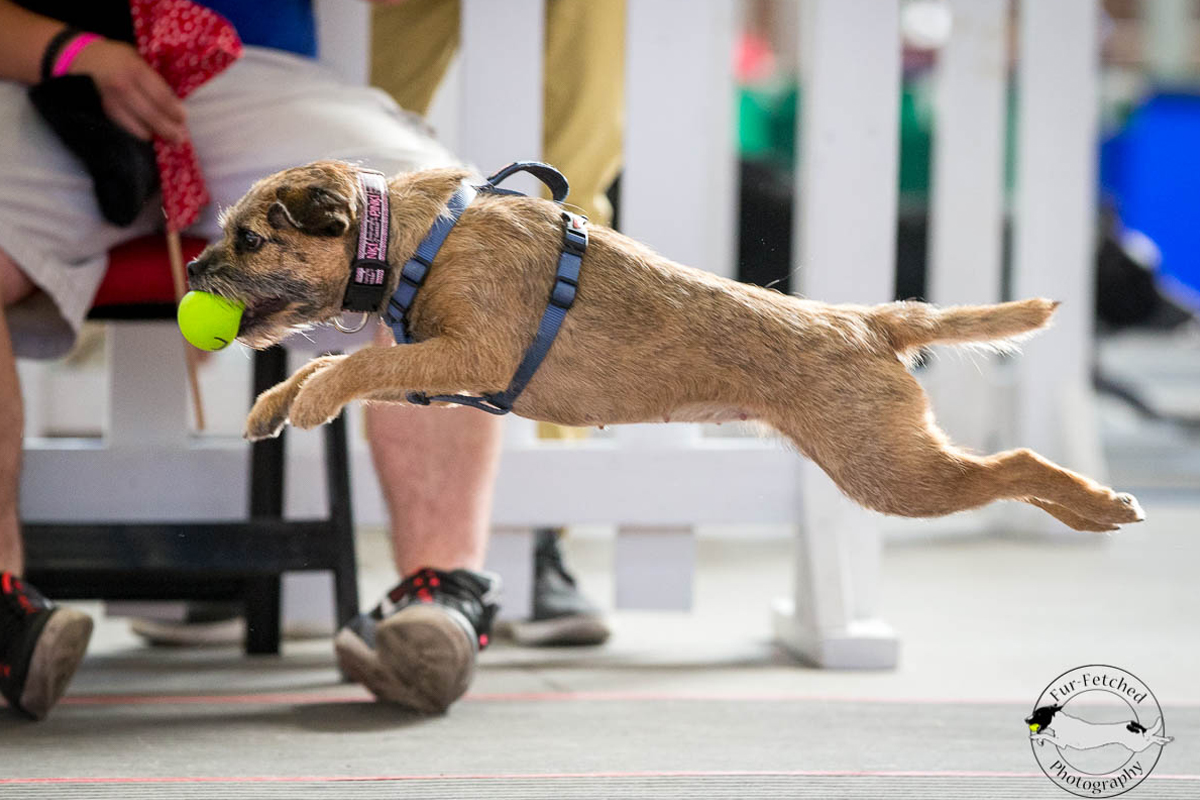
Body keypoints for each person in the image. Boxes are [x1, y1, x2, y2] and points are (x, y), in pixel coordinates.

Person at [0, 0, 600, 721]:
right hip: (43, 79)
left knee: (458, 234)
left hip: (247, 69)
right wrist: (73, 53)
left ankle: (437, 603)